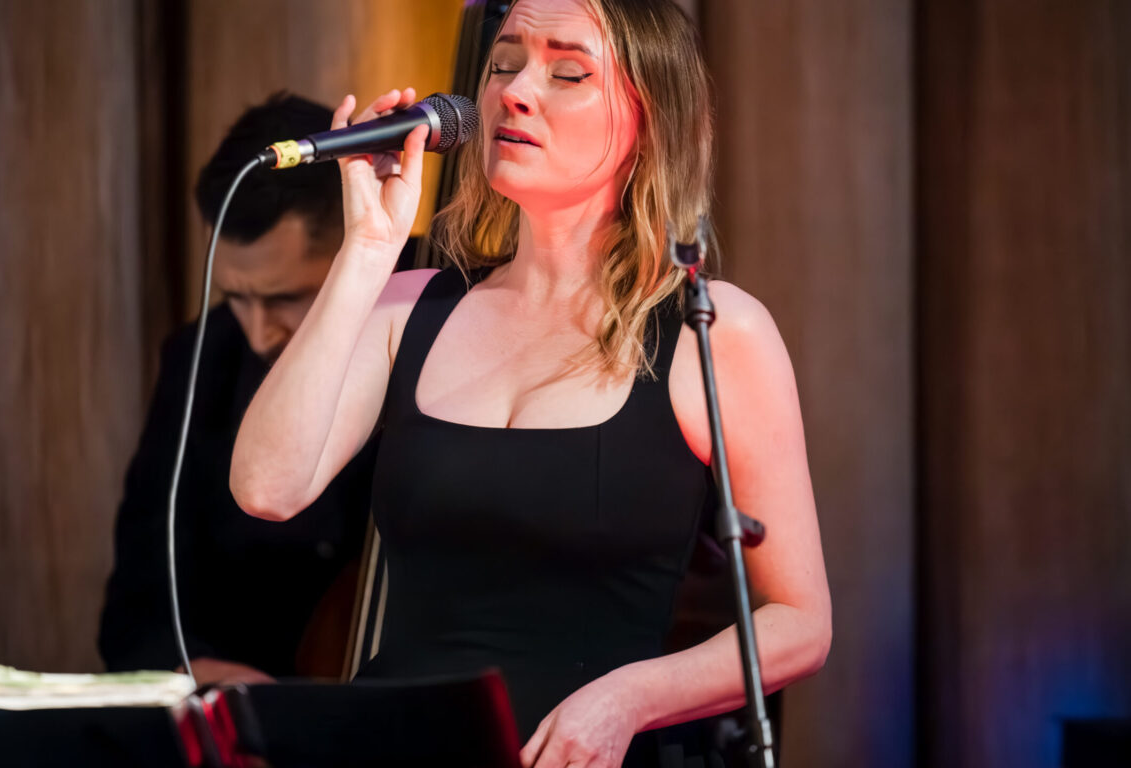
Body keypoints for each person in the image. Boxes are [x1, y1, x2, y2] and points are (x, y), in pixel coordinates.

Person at [231, 1, 832, 765]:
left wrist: (627, 698)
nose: (516, 91)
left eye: (568, 71)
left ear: (649, 118)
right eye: (505, 63)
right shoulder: (405, 303)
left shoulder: (712, 332)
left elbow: (799, 620)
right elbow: (266, 487)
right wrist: (366, 250)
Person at [98, 93, 377, 686]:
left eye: (284, 298)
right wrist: (195, 669)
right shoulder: (202, 355)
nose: (258, 333)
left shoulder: (438, 328)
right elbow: (141, 596)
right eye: (236, 297)